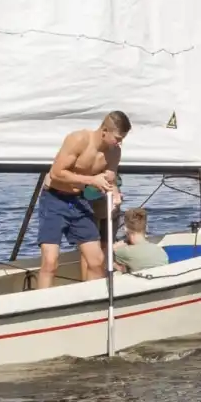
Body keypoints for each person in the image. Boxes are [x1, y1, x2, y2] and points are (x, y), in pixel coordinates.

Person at [37, 112, 129, 289]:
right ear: (104, 131)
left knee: (97, 260)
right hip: (54, 199)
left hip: (78, 201)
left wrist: (115, 194)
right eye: (118, 138)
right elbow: (56, 173)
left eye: (123, 139)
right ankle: (41, 302)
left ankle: (93, 299)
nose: (119, 143)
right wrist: (91, 180)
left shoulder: (114, 152)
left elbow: (110, 179)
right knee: (50, 262)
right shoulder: (79, 139)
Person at [114, 207, 171, 273]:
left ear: (125, 229)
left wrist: (115, 246)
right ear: (146, 227)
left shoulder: (124, 252)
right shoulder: (160, 251)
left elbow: (106, 255)